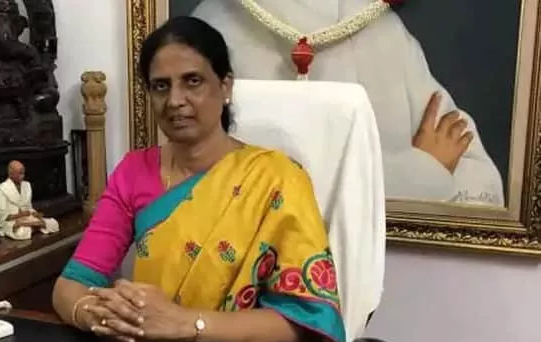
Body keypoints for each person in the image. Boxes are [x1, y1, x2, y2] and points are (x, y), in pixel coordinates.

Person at [52, 16, 347, 342]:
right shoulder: (134, 170)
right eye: (161, 86)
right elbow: (71, 285)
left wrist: (187, 324)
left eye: (192, 81)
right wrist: (95, 314)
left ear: (225, 86)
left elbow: (304, 321)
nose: (175, 100)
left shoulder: (278, 178)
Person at [190, 0, 505, 206]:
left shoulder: (381, 30)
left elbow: (478, 185)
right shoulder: (211, 30)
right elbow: (224, 186)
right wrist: (421, 173)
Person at [0, 160, 59, 240]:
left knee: (54, 224)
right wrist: (20, 215)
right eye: (20, 173)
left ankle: (32, 225)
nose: (23, 176)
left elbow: (29, 207)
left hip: (28, 218)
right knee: (22, 232)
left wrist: (35, 214)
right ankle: (36, 225)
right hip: (12, 221)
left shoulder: (27, 185)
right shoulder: (1, 188)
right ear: (10, 174)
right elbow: (1, 216)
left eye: (23, 173)